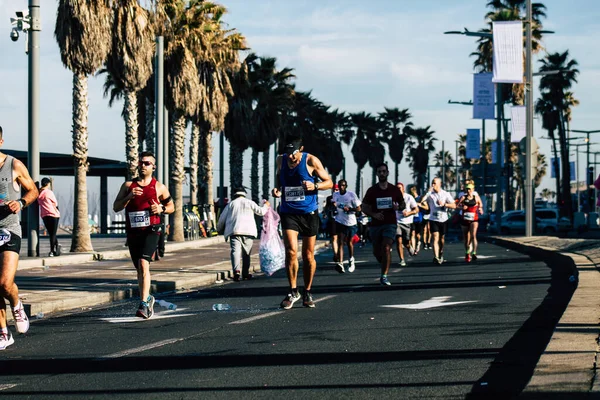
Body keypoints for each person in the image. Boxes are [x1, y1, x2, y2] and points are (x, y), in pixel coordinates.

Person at [272, 136, 332, 309]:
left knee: (308, 255)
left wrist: (316, 186)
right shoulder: (280, 160)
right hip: (288, 212)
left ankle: (307, 291)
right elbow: (279, 176)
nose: (291, 157)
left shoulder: (311, 160)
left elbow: (329, 182)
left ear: (302, 149)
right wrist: (277, 189)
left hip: (308, 213)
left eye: (294, 153)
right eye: (288, 153)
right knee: (291, 251)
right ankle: (293, 291)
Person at [113, 151, 174, 319]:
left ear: (153, 167)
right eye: (141, 163)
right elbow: (116, 207)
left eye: (147, 163)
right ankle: (147, 297)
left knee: (143, 263)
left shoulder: (158, 187)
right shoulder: (127, 186)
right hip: (134, 232)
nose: (143, 166)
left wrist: (161, 209)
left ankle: (144, 304)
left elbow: (171, 207)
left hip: (152, 230)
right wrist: (129, 197)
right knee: (139, 269)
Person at [0, 126, 39, 350]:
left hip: (9, 229)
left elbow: (33, 190)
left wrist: (21, 203)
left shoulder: (13, 165)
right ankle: (4, 334)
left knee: (4, 283)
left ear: (1, 141)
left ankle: (16, 304)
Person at [361, 163, 405, 286]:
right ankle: (384, 262)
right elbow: (364, 207)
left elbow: (403, 205)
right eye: (379, 171)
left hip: (390, 223)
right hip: (375, 224)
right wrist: (374, 215)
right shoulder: (372, 191)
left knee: (386, 247)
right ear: (377, 174)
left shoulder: (394, 190)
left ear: (387, 173)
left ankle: (384, 276)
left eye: (383, 171)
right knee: (377, 251)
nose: (381, 173)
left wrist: (398, 207)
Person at [217, 187, 270, 281]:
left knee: (235, 251)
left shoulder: (231, 204)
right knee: (246, 253)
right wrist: (266, 205)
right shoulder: (250, 202)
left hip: (234, 231)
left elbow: (222, 219)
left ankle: (236, 271)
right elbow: (261, 212)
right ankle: (245, 273)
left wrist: (218, 229)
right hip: (248, 231)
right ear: (244, 194)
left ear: (235, 195)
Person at [421, 177, 456, 265]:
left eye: (435, 183)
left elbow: (454, 205)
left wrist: (445, 204)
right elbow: (421, 201)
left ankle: (440, 252)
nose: (433, 185)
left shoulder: (445, 194)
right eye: (432, 183)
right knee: (435, 237)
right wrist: (428, 192)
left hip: (443, 219)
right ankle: (436, 257)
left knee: (442, 239)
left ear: (440, 184)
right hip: (433, 219)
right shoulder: (430, 194)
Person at [331, 179, 361, 273]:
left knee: (349, 242)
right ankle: (340, 263)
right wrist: (333, 205)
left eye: (343, 185)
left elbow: (359, 209)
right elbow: (332, 204)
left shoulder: (351, 195)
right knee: (340, 241)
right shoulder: (335, 195)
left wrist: (350, 209)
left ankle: (351, 259)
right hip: (339, 221)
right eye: (340, 186)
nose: (341, 187)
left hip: (351, 222)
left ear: (346, 186)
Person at [457, 183, 484, 262]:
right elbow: (457, 206)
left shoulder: (476, 197)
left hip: (474, 219)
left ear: (473, 190)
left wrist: (480, 209)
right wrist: (462, 207)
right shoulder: (463, 197)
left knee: (473, 236)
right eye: (467, 189)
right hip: (464, 219)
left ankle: (474, 253)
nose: (469, 191)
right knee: (466, 238)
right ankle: (467, 252)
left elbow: (480, 205)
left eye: (470, 189)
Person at [395, 183, 418, 266]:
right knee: (398, 240)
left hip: (407, 222)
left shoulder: (409, 197)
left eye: (400, 188)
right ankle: (401, 259)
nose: (398, 190)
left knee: (406, 242)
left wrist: (409, 213)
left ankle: (409, 247)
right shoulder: (393, 198)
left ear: (403, 189)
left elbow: (416, 209)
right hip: (397, 222)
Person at [38, 177, 62, 257]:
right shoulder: (49, 192)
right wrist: (58, 211)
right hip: (53, 214)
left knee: (51, 233)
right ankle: (52, 251)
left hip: (44, 215)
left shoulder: (38, 193)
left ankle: (56, 248)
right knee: (53, 233)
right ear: (48, 184)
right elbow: (55, 203)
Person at [324, 184, 340, 260]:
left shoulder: (343, 197)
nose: (335, 191)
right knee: (334, 238)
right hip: (333, 220)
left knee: (341, 238)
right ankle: (336, 254)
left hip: (342, 220)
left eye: (337, 190)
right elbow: (327, 207)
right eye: (334, 190)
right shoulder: (329, 198)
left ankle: (340, 252)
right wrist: (325, 213)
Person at [409, 186, 425, 256]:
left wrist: (420, 205)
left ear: (415, 191)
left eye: (412, 191)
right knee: (412, 233)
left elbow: (427, 207)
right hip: (412, 218)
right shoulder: (410, 199)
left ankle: (418, 242)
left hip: (419, 219)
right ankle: (414, 249)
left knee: (417, 234)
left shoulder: (420, 198)